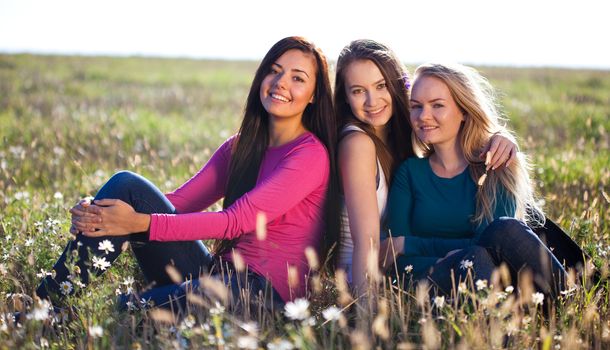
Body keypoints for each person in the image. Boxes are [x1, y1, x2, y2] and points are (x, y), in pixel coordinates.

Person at [35, 36, 339, 311]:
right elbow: (176, 204)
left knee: (126, 310)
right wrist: (102, 210)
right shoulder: (240, 147)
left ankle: (59, 316)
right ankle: (46, 303)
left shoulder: (309, 155)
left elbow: (235, 222)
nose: (281, 82)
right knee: (126, 186)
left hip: (262, 296)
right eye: (274, 70)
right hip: (215, 273)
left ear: (313, 95)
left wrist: (137, 223)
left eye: (298, 78)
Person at [333, 40, 517, 294]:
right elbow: (374, 247)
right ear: (344, 97)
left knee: (510, 235)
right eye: (357, 91)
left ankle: (572, 290)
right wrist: (364, 312)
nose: (371, 100)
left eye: (381, 85)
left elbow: (497, 246)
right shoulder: (370, 149)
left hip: (471, 275)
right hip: (373, 280)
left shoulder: (491, 164)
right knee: (482, 260)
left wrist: (501, 137)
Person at [386, 62, 567, 298]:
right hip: (435, 280)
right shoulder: (409, 173)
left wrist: (412, 244)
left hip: (503, 283)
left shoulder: (496, 166)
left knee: (502, 233)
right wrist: (452, 258)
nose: (423, 116)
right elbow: (394, 257)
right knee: (475, 258)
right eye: (416, 106)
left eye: (437, 105)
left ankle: (569, 304)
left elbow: (494, 245)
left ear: (463, 111)